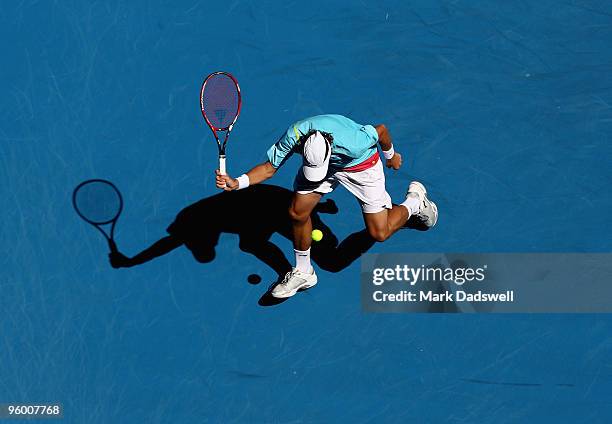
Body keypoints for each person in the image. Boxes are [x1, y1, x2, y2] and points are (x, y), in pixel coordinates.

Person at [215, 114, 438, 298]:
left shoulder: (355, 141)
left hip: (361, 166)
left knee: (379, 232)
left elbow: (381, 130)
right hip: (327, 168)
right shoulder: (295, 135)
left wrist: (390, 155)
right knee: (297, 211)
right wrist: (237, 183)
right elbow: (268, 168)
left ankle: (415, 201)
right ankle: (304, 272)